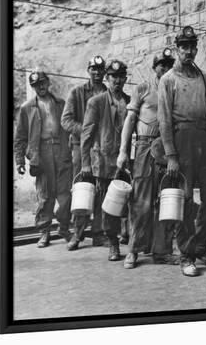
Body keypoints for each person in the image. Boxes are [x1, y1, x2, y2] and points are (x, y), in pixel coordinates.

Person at [157, 26, 206, 277]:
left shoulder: (203, 77)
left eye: (192, 47)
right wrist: (171, 155)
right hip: (181, 138)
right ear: (176, 49)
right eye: (184, 47)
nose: (188, 51)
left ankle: (200, 244)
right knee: (184, 200)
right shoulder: (168, 80)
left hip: (205, 138)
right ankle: (186, 254)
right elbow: (164, 120)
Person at [116, 48, 180, 269]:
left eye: (169, 64)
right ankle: (133, 250)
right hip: (144, 146)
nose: (166, 68)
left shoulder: (174, 88)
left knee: (166, 200)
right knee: (141, 201)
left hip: (167, 148)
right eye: (162, 65)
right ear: (154, 68)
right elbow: (130, 121)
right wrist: (123, 152)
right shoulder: (143, 88)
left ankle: (162, 251)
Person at [14, 70, 72, 248]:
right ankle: (44, 231)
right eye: (36, 85)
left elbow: (69, 127)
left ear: (48, 83)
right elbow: (20, 137)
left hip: (61, 150)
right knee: (45, 195)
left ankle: (63, 227)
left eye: (43, 83)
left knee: (65, 194)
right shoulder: (27, 108)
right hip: (41, 153)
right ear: (33, 87)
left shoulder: (61, 103)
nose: (40, 87)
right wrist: (20, 161)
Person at [80, 60, 131, 261]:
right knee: (110, 205)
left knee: (130, 202)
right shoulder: (96, 102)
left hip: (127, 160)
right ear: (107, 79)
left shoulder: (130, 100)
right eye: (113, 77)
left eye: (120, 77)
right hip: (104, 162)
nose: (117, 80)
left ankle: (130, 238)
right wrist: (85, 163)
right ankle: (113, 244)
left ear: (125, 79)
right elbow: (86, 134)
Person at [61, 56, 107, 249]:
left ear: (104, 72)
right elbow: (66, 121)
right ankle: (77, 234)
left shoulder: (108, 92)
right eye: (93, 69)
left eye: (100, 70)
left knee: (101, 189)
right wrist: (88, 131)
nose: (97, 73)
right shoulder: (77, 92)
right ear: (88, 70)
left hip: (104, 148)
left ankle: (98, 233)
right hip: (81, 147)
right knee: (82, 189)